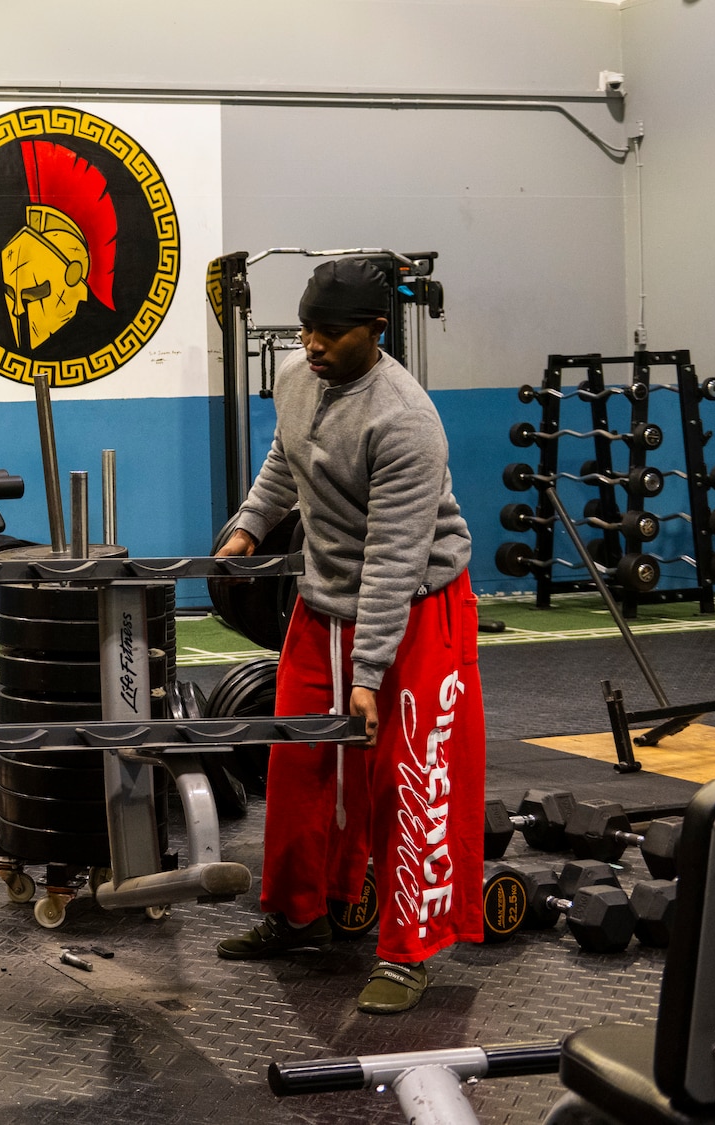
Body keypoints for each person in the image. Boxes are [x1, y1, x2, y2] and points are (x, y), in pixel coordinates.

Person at [212, 257, 484, 1015]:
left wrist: (368, 676)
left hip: (415, 609)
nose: (313, 345)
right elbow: (285, 459)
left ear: (377, 329)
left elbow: (397, 559)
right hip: (324, 600)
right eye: (306, 330)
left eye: (330, 333)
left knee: (407, 782)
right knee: (299, 762)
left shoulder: (406, 419)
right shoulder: (298, 380)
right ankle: (300, 914)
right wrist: (246, 529)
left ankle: (409, 952)